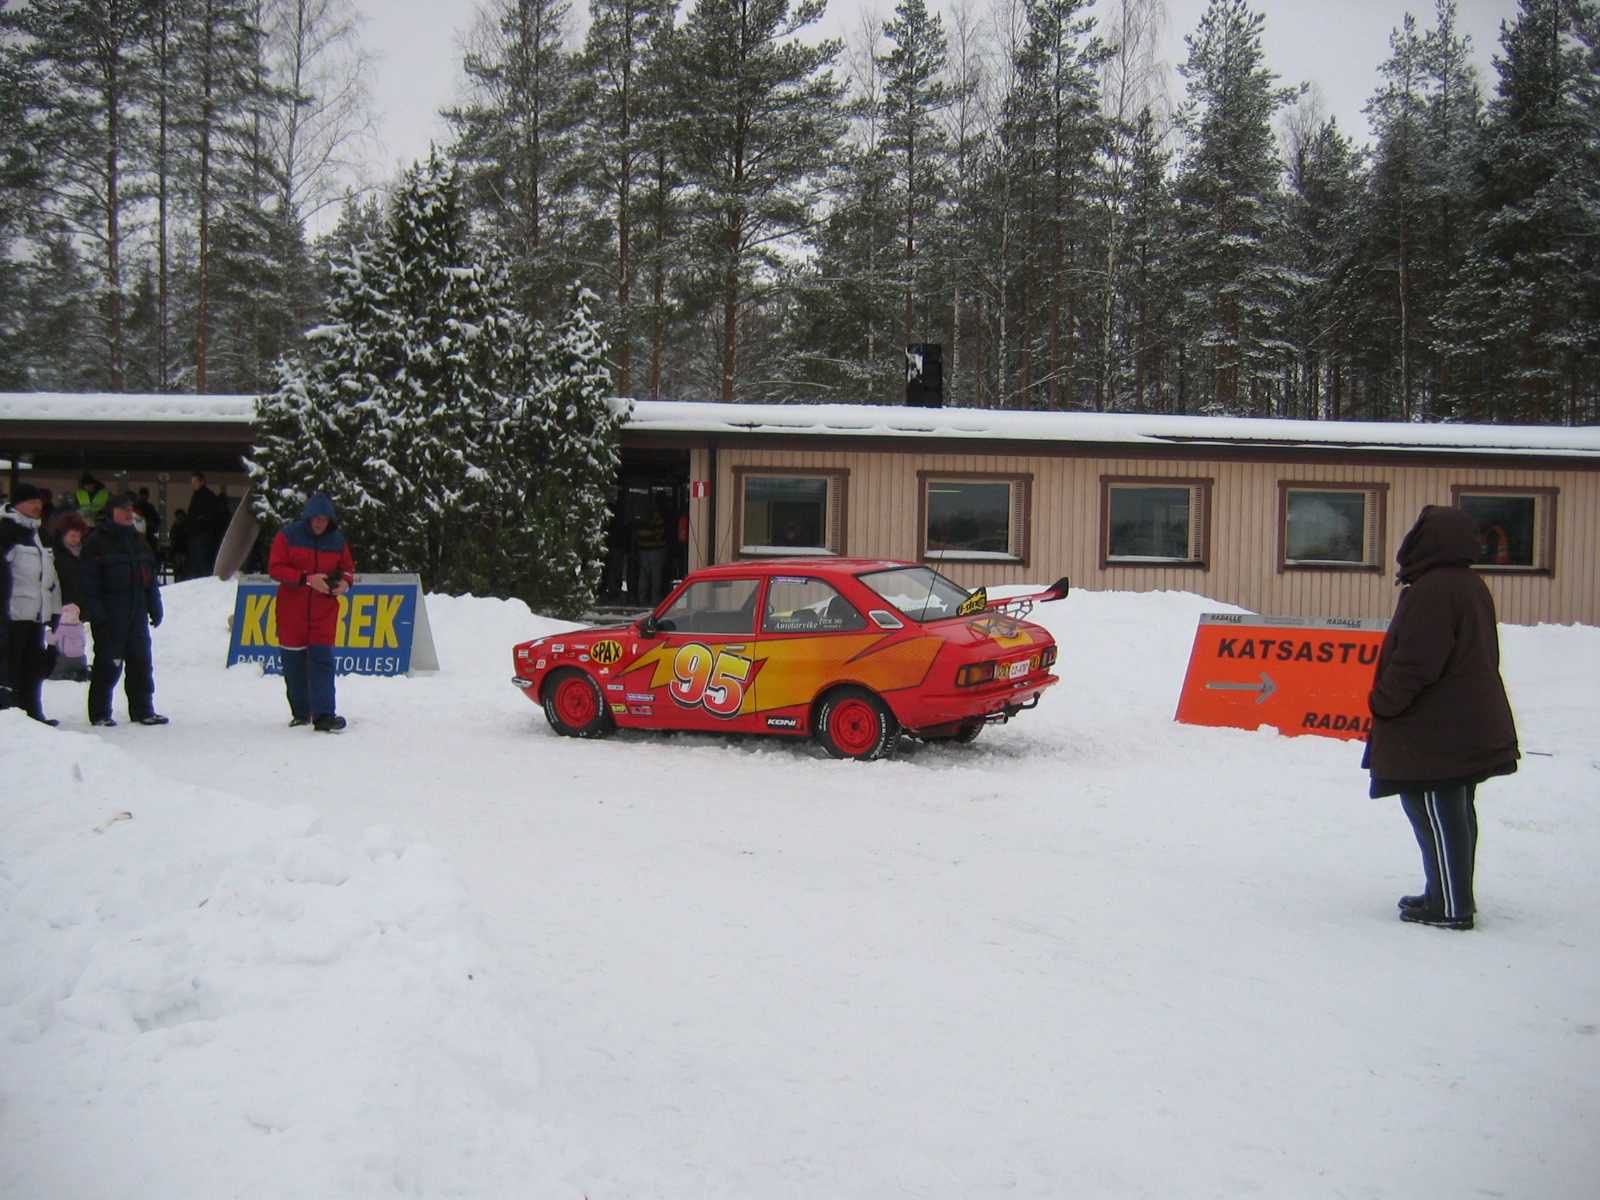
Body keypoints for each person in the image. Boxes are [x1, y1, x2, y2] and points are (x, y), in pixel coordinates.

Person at [1364, 505, 1520, 931]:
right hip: (1461, 722)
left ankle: (1451, 905)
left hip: (1438, 728)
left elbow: (1417, 663)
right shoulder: (1467, 584)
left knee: (1439, 811)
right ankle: (1443, 893)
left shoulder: (1434, 590)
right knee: (1450, 811)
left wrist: (1382, 702)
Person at [267, 492, 355, 732]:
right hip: (291, 611)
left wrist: (345, 584)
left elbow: (348, 568)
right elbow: (275, 569)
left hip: (324, 610)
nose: (319, 523)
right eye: (316, 518)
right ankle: (301, 712)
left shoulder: (337, 541)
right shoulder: (288, 535)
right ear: (307, 518)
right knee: (294, 664)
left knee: (322, 662)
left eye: (324, 519)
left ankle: (325, 715)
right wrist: (306, 579)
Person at [80, 493, 168, 727]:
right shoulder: (96, 541)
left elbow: (149, 579)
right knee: (108, 665)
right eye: (124, 509)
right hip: (111, 614)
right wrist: (98, 617)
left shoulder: (137, 540)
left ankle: (143, 710)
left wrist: (155, 606)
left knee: (141, 663)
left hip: (136, 613)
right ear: (111, 512)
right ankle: (100, 713)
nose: (130, 513)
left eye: (131, 509)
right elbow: (88, 585)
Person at [1, 482, 64, 723]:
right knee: (12, 666)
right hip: (13, 613)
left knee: (34, 666)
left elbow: (52, 577)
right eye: (32, 501)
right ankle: (13, 716)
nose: (38, 506)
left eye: (39, 502)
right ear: (18, 504)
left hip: (38, 613)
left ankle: (33, 713)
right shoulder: (6, 529)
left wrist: (55, 609)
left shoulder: (40, 533)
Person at [47, 511, 91, 681]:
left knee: (75, 636)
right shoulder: (56, 554)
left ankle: (75, 664)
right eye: (72, 535)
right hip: (61, 600)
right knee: (58, 635)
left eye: (78, 536)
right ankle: (56, 666)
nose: (75, 539)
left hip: (79, 601)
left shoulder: (82, 553)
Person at [185, 471, 219, 578]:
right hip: (195, 532)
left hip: (203, 532)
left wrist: (199, 522)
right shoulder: (196, 496)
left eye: (195, 482)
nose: (194, 484)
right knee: (195, 561)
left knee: (202, 559)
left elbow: (210, 515)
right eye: (192, 482)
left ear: (202, 482)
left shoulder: (207, 496)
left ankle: (205, 580)